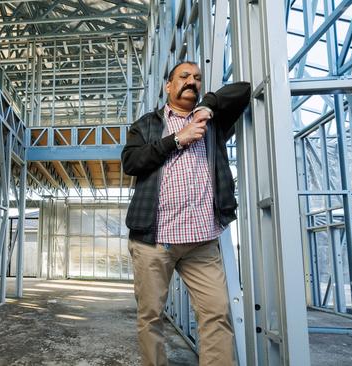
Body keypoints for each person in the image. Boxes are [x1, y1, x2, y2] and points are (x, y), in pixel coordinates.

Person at [121, 61, 251, 366]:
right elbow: (131, 162)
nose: (191, 81)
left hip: (202, 242)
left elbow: (243, 90)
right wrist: (177, 139)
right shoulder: (147, 124)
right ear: (168, 86)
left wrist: (208, 106)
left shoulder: (214, 122)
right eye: (183, 76)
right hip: (155, 241)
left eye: (197, 78)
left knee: (217, 314)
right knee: (150, 317)